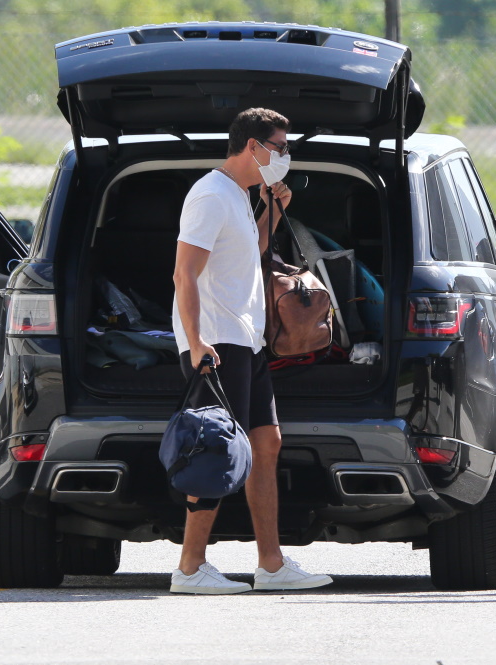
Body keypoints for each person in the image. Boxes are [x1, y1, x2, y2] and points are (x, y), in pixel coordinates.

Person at [170, 107, 332, 594]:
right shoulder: (210, 196)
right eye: (279, 147)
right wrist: (197, 341)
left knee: (267, 443)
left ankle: (271, 564)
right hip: (218, 342)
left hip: (247, 340)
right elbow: (184, 274)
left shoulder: (239, 196)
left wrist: (273, 208)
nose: (284, 155)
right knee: (216, 449)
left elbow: (252, 251)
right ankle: (190, 569)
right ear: (252, 147)